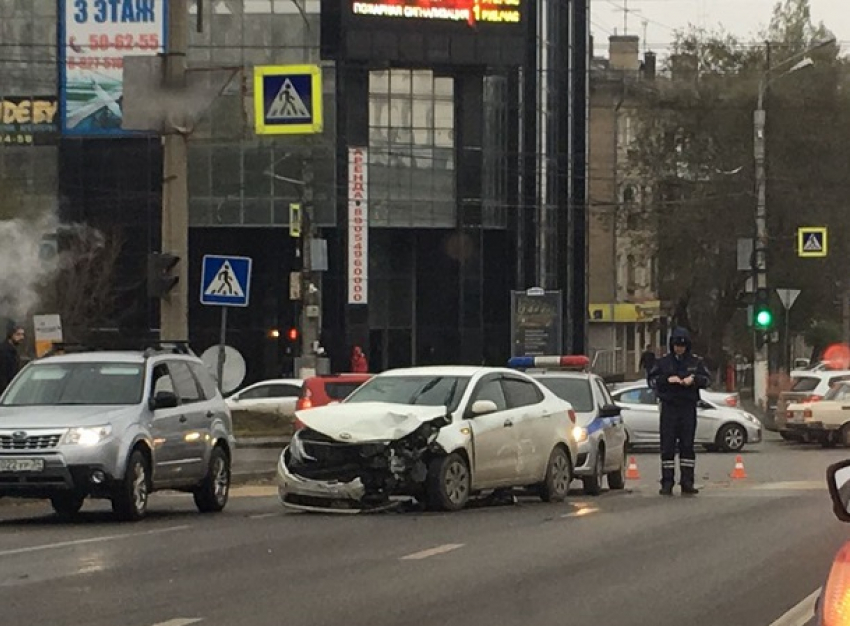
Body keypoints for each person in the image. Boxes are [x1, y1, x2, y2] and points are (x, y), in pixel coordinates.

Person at [648, 327, 711, 496]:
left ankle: (687, 482)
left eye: (682, 346)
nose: (679, 349)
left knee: (687, 446)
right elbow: (652, 381)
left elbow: (707, 380)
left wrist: (694, 379)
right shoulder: (663, 363)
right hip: (669, 408)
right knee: (667, 447)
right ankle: (667, 483)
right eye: (676, 345)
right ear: (672, 345)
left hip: (687, 408)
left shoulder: (695, 362)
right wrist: (667, 380)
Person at [0, 323, 25, 395]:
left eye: (22, 334)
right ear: (10, 335)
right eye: (18, 334)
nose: (22, 337)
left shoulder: (13, 351)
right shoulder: (3, 352)